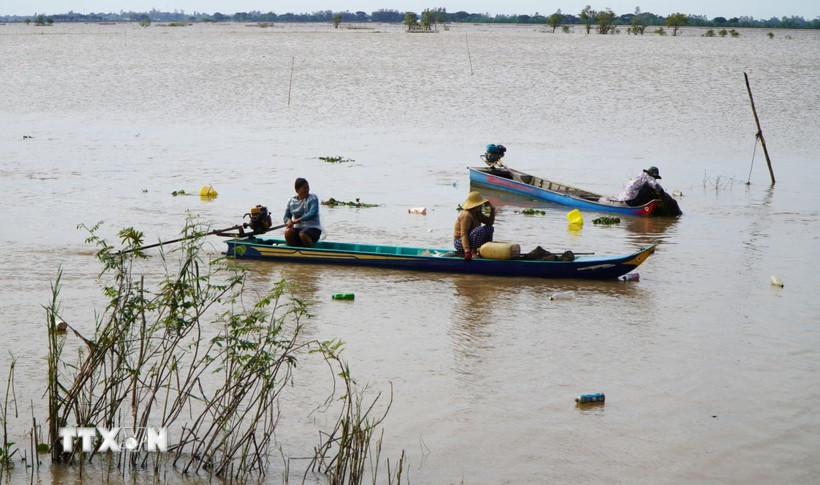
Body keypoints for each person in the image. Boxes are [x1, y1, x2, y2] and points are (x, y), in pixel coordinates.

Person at [453, 191, 496, 261]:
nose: (481, 205)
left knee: (489, 228)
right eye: (480, 204)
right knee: (479, 230)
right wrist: (467, 251)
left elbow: (489, 223)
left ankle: (485, 250)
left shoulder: (477, 213)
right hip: (460, 242)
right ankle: (473, 252)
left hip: (472, 239)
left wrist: (492, 210)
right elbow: (464, 234)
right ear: (475, 205)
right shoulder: (466, 215)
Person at [283, 177, 322, 247]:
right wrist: (288, 221)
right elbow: (286, 217)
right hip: (298, 229)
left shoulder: (313, 198)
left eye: (308, 188)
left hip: (313, 228)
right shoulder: (291, 201)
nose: (307, 190)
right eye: (304, 188)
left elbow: (312, 213)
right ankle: (294, 252)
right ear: (297, 190)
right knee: (288, 232)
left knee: (303, 234)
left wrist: (297, 220)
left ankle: (311, 254)